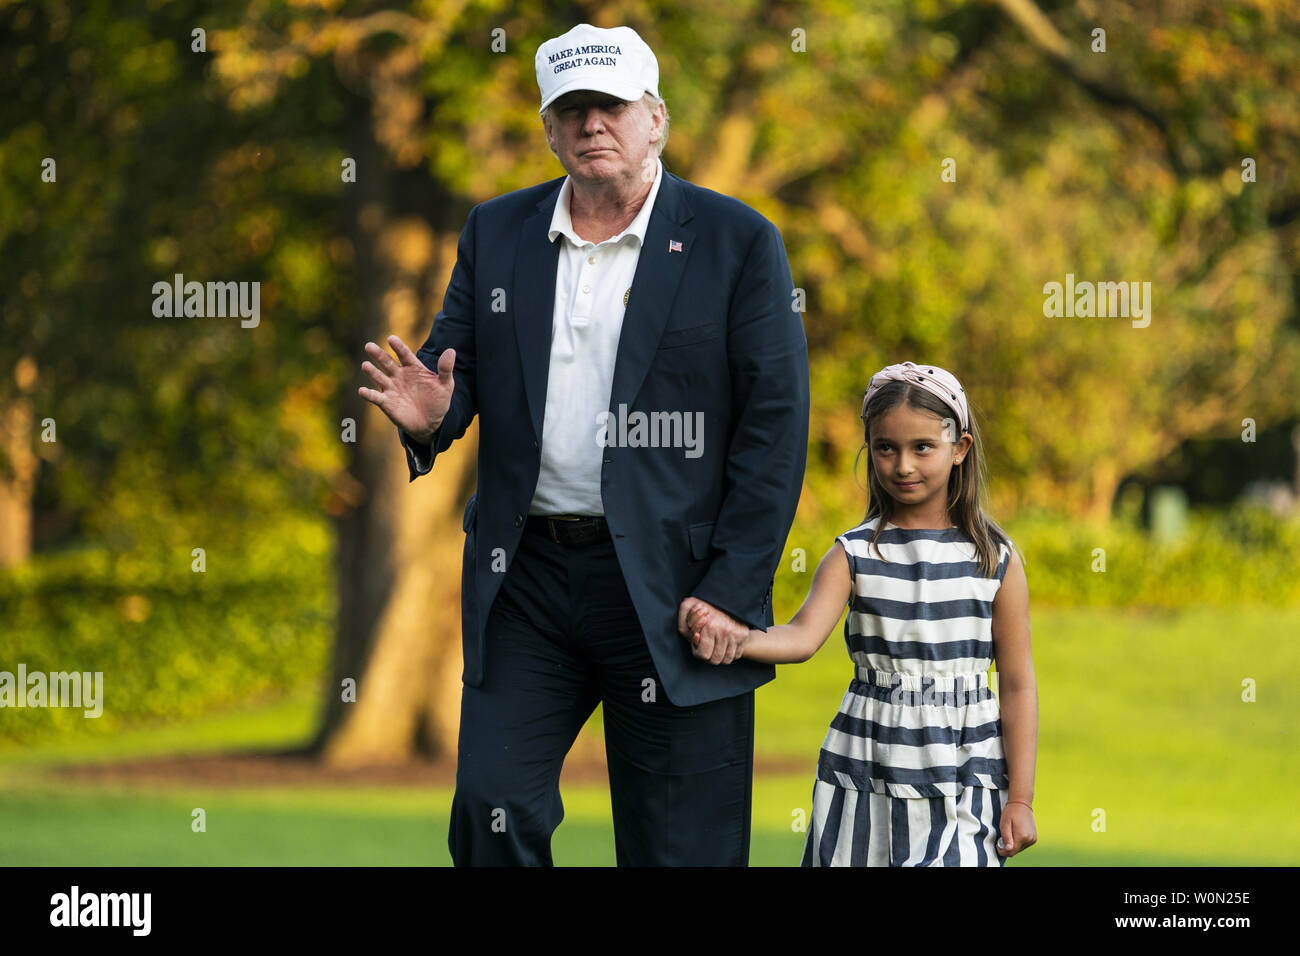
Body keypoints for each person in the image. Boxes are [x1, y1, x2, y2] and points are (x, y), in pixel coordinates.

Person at [357, 22, 809, 865]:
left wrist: (733, 586)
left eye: (610, 105)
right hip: (527, 577)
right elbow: (458, 377)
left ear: (657, 119)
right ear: (549, 129)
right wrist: (433, 420)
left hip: (678, 589)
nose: (591, 123)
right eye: (571, 109)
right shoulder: (497, 231)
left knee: (682, 846)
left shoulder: (738, 241)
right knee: (494, 809)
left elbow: (774, 431)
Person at [686, 362, 1038, 866]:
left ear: (960, 448)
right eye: (885, 448)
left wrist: (1021, 798)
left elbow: (1019, 682)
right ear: (869, 450)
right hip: (869, 767)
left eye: (923, 447)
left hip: (967, 773)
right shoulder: (854, 553)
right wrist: (734, 637)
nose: (903, 465)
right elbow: (801, 638)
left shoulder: (995, 559)